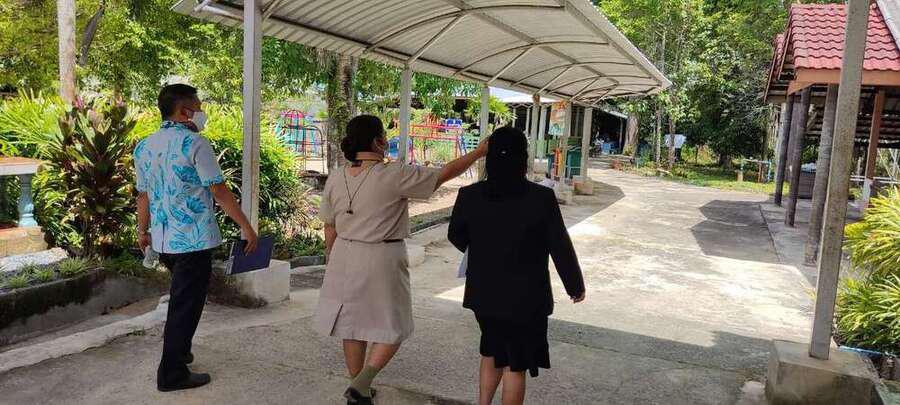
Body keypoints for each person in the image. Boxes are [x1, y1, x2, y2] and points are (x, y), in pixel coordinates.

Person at [315, 115, 486, 405]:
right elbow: (443, 174)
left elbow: (329, 225)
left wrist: (332, 260)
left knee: (351, 324)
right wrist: (479, 152)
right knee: (394, 324)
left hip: (343, 253)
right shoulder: (394, 174)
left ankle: (358, 388)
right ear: (378, 142)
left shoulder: (336, 176)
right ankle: (362, 383)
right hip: (382, 255)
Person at [447, 127, 585, 405]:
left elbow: (455, 235)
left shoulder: (469, 195)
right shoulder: (541, 198)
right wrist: (575, 286)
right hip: (527, 298)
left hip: (484, 294)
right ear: (524, 158)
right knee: (515, 364)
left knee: (491, 350)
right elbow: (560, 246)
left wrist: (484, 250)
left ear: (489, 158)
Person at [135, 83, 259, 392]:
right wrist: (246, 227)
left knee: (183, 300)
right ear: (184, 111)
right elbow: (218, 189)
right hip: (194, 241)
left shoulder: (144, 146)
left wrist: (142, 231)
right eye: (198, 108)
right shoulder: (196, 144)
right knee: (185, 306)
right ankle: (172, 374)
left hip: (164, 242)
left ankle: (181, 352)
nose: (202, 113)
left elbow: (143, 195)